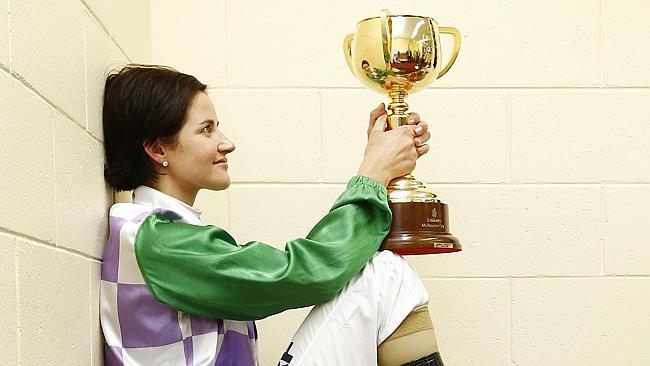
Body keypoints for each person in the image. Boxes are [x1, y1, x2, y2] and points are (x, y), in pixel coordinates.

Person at [99, 64, 444, 366]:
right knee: (386, 276)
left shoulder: (160, 232)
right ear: (157, 148)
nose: (226, 142)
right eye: (206, 129)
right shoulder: (155, 239)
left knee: (383, 274)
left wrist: (378, 168)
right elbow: (302, 275)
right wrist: (373, 174)